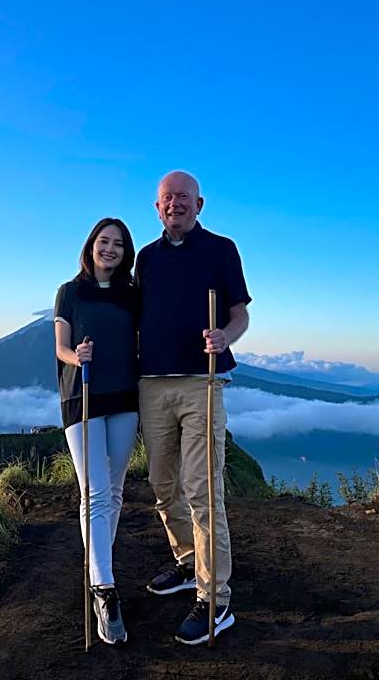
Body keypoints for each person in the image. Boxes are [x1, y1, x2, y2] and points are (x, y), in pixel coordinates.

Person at [136, 170, 252, 645]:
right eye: (167, 198)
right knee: (163, 485)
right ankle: (188, 562)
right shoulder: (145, 258)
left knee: (203, 490)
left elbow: (240, 313)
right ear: (157, 208)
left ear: (199, 205)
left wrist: (226, 336)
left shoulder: (221, 249)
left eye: (183, 197)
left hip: (202, 381)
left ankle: (215, 598)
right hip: (152, 384)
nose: (175, 204)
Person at [54, 217, 140, 645]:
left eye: (118, 244)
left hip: (125, 397)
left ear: (126, 253)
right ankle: (104, 588)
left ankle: (97, 567)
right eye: (104, 242)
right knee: (96, 492)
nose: (110, 249)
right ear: (90, 246)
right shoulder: (70, 292)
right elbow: (60, 347)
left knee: (115, 490)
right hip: (82, 396)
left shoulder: (131, 294)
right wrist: (77, 356)